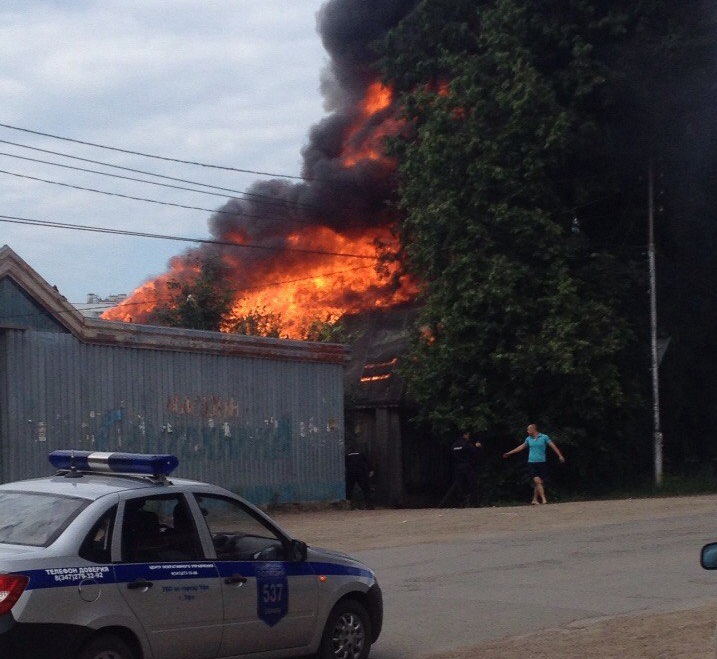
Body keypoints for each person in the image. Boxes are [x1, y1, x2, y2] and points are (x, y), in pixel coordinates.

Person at [503, 423, 565, 505]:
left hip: (542, 462)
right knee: (538, 481)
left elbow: (553, 446)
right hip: (532, 462)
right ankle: (544, 499)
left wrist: (560, 455)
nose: (527, 431)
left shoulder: (544, 437)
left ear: (533, 429)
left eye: (528, 429)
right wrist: (510, 453)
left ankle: (534, 499)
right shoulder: (528, 439)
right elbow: (521, 447)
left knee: (539, 482)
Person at [441, 431, 483, 508]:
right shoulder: (467, 444)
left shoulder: (454, 445)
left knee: (460, 485)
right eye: (468, 435)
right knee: (472, 484)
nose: (468, 436)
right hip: (468, 466)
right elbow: (474, 453)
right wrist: (478, 447)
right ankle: (475, 503)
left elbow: (451, 456)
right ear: (464, 435)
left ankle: (461, 504)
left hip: (457, 467)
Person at [345, 444, 375, 509]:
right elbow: (368, 462)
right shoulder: (361, 455)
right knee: (366, 488)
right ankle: (369, 504)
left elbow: (344, 466)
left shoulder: (347, 457)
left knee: (349, 489)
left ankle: (348, 504)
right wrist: (371, 470)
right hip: (361, 473)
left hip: (350, 474)